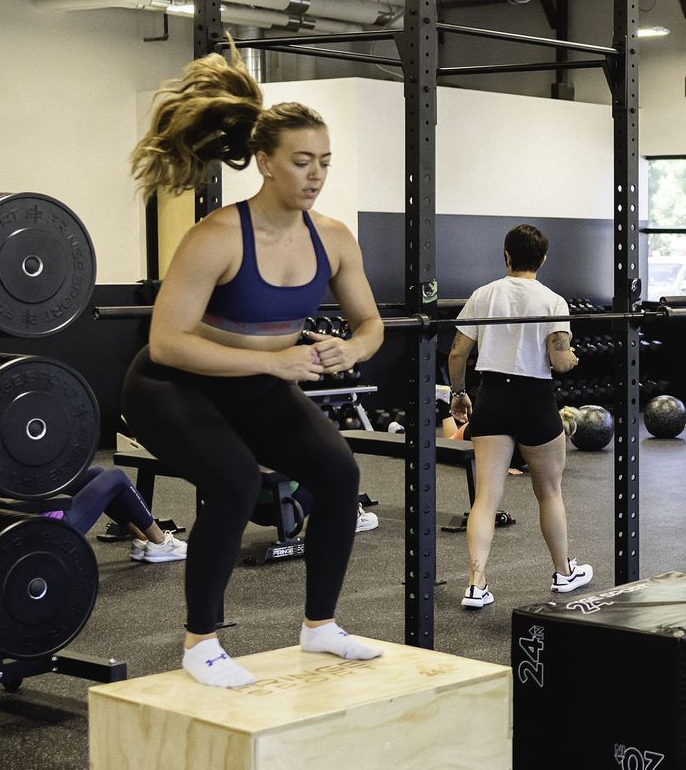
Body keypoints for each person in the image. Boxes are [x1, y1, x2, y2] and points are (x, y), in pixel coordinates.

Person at [123, 47, 384, 689]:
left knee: (339, 473)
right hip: (173, 385)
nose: (315, 174)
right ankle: (199, 643)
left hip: (258, 384)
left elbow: (370, 325)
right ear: (265, 163)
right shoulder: (216, 236)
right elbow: (166, 343)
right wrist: (280, 359)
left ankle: (320, 627)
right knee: (235, 482)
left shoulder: (334, 238)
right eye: (301, 162)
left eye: (324, 162)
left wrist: (349, 350)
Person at [447, 224, 593, 606]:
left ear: (506, 256)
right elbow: (560, 362)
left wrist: (459, 394)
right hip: (534, 400)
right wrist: (573, 357)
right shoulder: (552, 301)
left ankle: (476, 584)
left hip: (492, 396)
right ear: (542, 259)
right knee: (549, 492)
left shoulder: (483, 295)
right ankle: (564, 574)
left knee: (486, 497)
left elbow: (457, 354)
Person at [40, 465, 186, 562]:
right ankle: (160, 542)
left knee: (96, 473)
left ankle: (141, 539)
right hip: (53, 528)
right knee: (117, 477)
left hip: (32, 511)